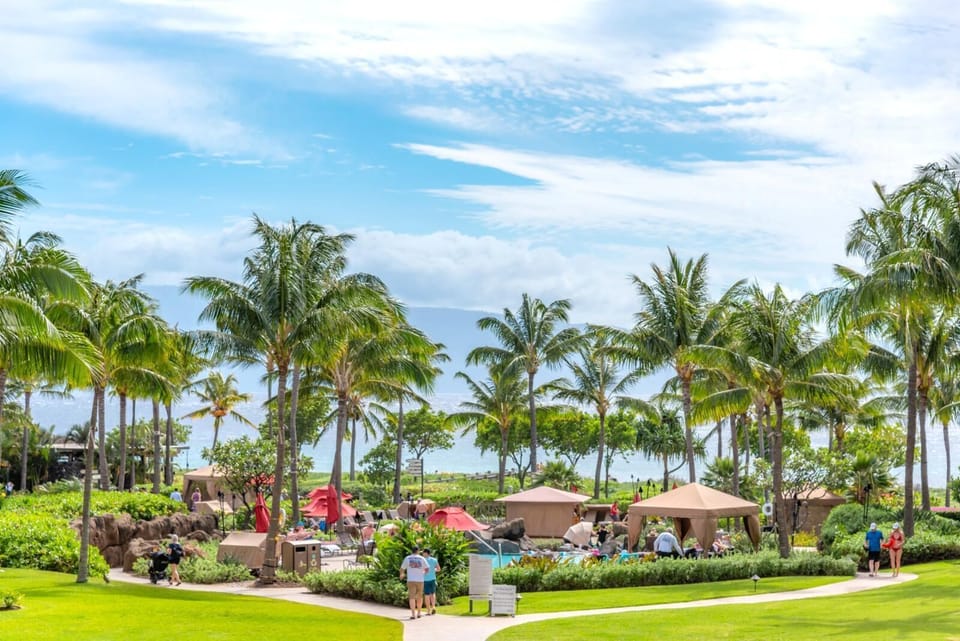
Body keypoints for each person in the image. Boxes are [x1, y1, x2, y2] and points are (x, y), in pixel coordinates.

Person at [399, 545, 428, 619]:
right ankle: (419, 612)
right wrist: (423, 573)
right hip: (420, 580)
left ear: (412, 551)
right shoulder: (422, 558)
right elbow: (427, 568)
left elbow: (402, 568)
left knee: (411, 597)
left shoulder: (407, 558)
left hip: (411, 579)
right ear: (418, 551)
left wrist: (402, 574)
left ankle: (413, 614)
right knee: (419, 596)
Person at [422, 548, 441, 615]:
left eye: (423, 552)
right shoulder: (434, 560)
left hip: (425, 580)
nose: (422, 554)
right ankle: (433, 607)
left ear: (426, 553)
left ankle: (428, 610)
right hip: (433, 579)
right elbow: (439, 569)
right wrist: (433, 570)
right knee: (433, 593)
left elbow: (422, 570)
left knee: (427, 595)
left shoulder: (422, 560)